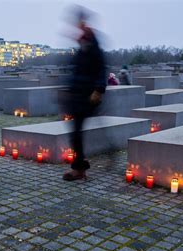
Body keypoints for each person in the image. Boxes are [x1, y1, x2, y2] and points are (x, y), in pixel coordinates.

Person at [62, 7, 106, 181]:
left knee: (76, 134)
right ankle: (80, 167)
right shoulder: (82, 45)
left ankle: (80, 170)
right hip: (78, 96)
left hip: (87, 97)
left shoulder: (92, 44)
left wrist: (98, 90)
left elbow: (101, 68)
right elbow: (77, 72)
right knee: (76, 134)